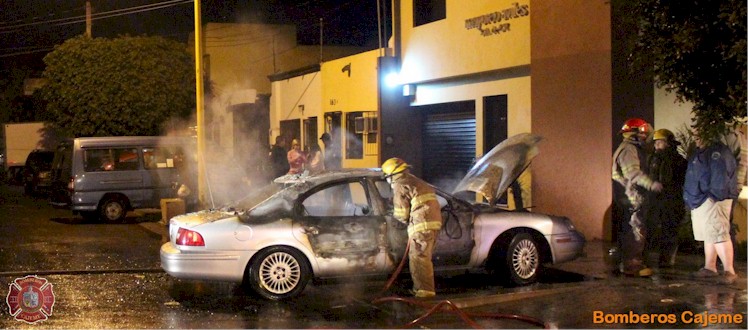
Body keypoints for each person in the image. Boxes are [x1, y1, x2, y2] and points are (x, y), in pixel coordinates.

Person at [382, 157, 443, 298]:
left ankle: (424, 292)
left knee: (419, 258)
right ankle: (423, 289)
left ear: (391, 176)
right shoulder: (415, 181)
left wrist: (393, 214)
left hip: (421, 225)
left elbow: (401, 214)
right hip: (431, 224)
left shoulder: (400, 185)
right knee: (423, 257)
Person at [683, 130, 739, 285]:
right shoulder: (701, 152)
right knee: (710, 234)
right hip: (701, 199)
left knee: (718, 233)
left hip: (712, 200)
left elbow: (720, 177)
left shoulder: (717, 152)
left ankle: (729, 270)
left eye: (699, 135)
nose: (696, 138)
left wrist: (713, 197)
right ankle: (710, 267)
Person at [612, 118, 663, 277]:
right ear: (637, 134)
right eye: (645, 134)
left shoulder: (629, 148)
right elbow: (633, 174)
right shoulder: (629, 150)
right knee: (635, 232)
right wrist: (651, 184)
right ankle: (633, 267)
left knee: (632, 230)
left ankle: (629, 264)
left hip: (629, 196)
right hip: (632, 197)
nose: (647, 137)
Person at [646, 129, 687, 268]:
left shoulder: (678, 160)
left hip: (672, 201)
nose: (656, 145)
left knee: (669, 231)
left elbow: (681, 181)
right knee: (651, 229)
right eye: (655, 142)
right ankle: (648, 259)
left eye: (660, 142)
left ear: (669, 143)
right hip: (654, 200)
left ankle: (667, 261)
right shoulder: (652, 158)